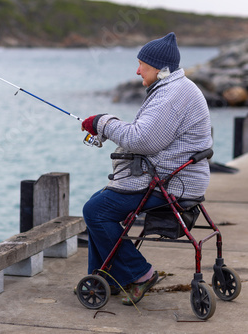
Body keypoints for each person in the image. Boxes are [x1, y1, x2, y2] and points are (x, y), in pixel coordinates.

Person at [81, 32, 212, 305]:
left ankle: (138, 274)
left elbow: (143, 140)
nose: (137, 70)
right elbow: (148, 134)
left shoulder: (172, 95)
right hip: (175, 176)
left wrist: (103, 122)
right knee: (97, 203)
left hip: (171, 182)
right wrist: (109, 128)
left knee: (95, 210)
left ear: (161, 69)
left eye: (143, 65)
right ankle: (104, 276)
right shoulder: (176, 88)